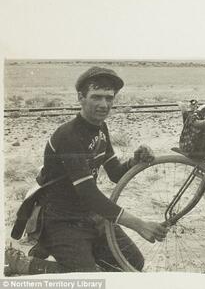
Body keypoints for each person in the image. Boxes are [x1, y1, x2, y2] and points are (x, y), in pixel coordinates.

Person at [5, 66, 168, 275]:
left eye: (109, 98)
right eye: (96, 97)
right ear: (81, 98)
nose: (104, 104)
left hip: (90, 216)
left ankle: (76, 253)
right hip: (59, 220)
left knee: (133, 263)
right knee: (86, 278)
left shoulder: (101, 128)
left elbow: (115, 173)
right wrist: (140, 225)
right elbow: (90, 194)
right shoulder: (68, 136)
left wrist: (134, 161)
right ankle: (19, 263)